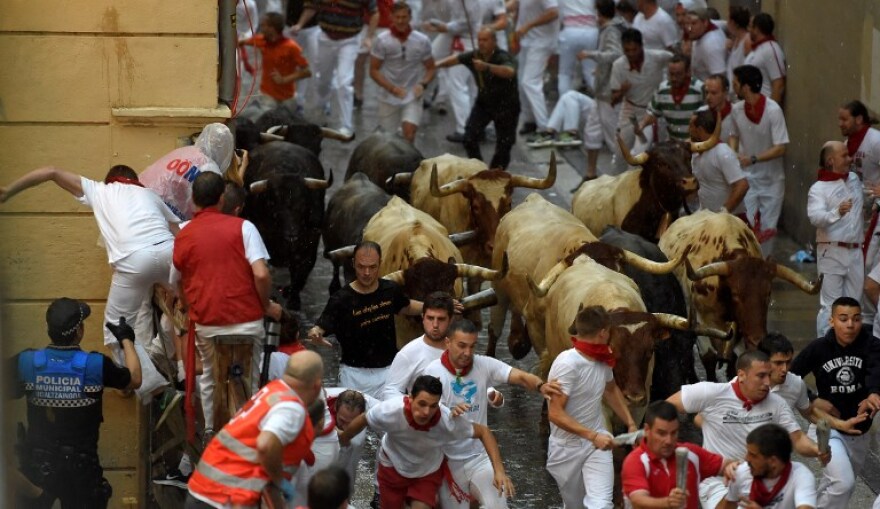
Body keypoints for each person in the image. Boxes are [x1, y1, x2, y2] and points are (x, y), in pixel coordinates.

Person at [0, 164, 179, 400]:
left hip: (133, 261)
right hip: (169, 252)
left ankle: (154, 389)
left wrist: (8, 190)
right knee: (188, 311)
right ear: (133, 181)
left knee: (115, 330)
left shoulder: (101, 190)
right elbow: (179, 232)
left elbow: (52, 171)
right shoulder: (150, 194)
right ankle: (196, 373)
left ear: (111, 180)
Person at [172, 172, 283, 435]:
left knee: (211, 376)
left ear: (193, 200)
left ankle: (212, 433)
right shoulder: (244, 227)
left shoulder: (184, 234)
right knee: (248, 379)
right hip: (247, 321)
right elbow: (262, 273)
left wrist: (190, 305)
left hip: (208, 323)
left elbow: (177, 281)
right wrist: (266, 305)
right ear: (221, 198)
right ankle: (247, 431)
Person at [12, 298, 142, 509]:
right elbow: (135, 378)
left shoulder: (26, 363)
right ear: (79, 331)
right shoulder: (95, 365)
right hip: (82, 476)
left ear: (48, 329)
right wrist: (126, 339)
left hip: (38, 473)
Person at [423, 319, 562, 508]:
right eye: (462, 346)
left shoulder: (483, 364)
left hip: (478, 458)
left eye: (472, 346)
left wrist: (540, 385)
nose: (468, 353)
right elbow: (427, 414)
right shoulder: (433, 371)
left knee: (498, 506)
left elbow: (520, 376)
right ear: (448, 343)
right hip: (446, 461)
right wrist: (447, 413)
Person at [666, 350, 828, 509]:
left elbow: (798, 439)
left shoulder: (777, 403)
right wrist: (667, 442)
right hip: (717, 482)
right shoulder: (711, 393)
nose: (767, 382)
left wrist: (818, 450)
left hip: (760, 476)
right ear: (742, 375)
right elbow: (666, 408)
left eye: (768, 375)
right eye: (760, 376)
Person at [338, 375, 512, 509]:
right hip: (392, 467)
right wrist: (344, 438)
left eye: (433, 405)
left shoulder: (446, 420)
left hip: (426, 472)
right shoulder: (390, 410)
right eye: (421, 404)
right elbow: (363, 419)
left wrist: (499, 470)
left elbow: (483, 432)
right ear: (410, 398)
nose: (426, 412)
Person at [186, 350, 324, 509]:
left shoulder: (273, 391)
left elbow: (261, 466)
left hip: (205, 490)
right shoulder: (292, 408)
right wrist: (280, 481)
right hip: (220, 498)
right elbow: (265, 445)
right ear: (317, 385)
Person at [790, 296, 880, 509]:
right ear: (831, 321)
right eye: (843, 319)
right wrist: (812, 398)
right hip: (828, 428)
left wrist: (874, 393)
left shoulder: (872, 345)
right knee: (843, 483)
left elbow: (877, 370)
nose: (850, 325)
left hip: (860, 432)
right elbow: (790, 378)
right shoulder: (818, 348)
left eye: (856, 319)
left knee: (838, 486)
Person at [546, 305, 639, 509]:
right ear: (603, 332)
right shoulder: (567, 364)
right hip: (566, 449)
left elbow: (611, 390)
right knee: (574, 506)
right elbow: (555, 413)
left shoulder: (603, 360)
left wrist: (631, 423)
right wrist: (592, 435)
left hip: (595, 444)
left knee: (601, 505)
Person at [308, 241, 422, 399]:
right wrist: (315, 333)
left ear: (380, 264)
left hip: (389, 374)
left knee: (390, 419)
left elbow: (406, 306)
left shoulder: (390, 289)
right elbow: (322, 325)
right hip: (354, 375)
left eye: (372, 267)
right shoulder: (341, 299)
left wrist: (436, 306)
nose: (366, 272)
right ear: (353, 264)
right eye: (361, 267)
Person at [622, 401, 736, 509]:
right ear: (647, 430)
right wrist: (667, 502)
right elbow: (638, 500)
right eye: (662, 433)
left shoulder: (692, 454)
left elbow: (726, 465)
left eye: (674, 433)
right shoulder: (635, 461)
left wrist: (732, 467)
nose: (668, 440)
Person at [291, 0, 379, 138]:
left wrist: (369, 37)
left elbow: (375, 13)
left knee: (344, 83)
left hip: (350, 40)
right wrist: (300, 24)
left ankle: (346, 126)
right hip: (325, 38)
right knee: (322, 80)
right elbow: (312, 6)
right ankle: (323, 104)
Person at [435, 27, 520, 170]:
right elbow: (456, 59)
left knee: (504, 144)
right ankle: (479, 168)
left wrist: (486, 67)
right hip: (484, 104)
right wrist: (434, 65)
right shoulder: (475, 55)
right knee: (469, 138)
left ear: (494, 41)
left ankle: (495, 173)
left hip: (507, 106)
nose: (481, 43)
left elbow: (509, 72)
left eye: (485, 40)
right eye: (479, 40)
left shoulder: (503, 57)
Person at [729, 64, 789, 257]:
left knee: (768, 229)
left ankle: (763, 269)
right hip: (748, 179)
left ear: (745, 87)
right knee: (746, 224)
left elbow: (781, 147)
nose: (733, 87)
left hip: (772, 181)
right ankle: (749, 265)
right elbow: (733, 135)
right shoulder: (736, 110)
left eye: (736, 83)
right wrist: (733, 153)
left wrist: (753, 158)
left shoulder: (773, 110)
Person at [807, 141, 865, 335]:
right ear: (831, 161)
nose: (850, 159)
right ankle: (824, 351)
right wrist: (836, 212)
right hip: (831, 251)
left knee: (854, 305)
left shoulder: (854, 179)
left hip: (856, 251)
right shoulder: (818, 188)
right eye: (845, 156)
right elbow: (815, 217)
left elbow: (864, 200)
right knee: (830, 306)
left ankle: (849, 350)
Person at [571, 0, 626, 179]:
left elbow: (616, 54)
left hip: (609, 92)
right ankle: (590, 173)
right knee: (592, 131)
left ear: (600, 14)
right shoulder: (617, 27)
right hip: (602, 90)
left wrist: (590, 55)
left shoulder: (611, 30)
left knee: (613, 138)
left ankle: (621, 177)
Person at [370, 2, 436, 142]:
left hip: (412, 95)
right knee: (388, 140)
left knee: (409, 134)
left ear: (410, 17)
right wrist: (392, 88)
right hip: (388, 96)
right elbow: (373, 70)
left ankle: (408, 164)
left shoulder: (422, 40)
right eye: (397, 17)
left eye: (404, 17)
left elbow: (431, 68)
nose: (401, 21)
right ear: (391, 17)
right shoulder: (382, 40)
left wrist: (422, 84)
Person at [720, 424, 817, 509]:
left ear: (773, 461)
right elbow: (728, 505)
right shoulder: (742, 472)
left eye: (753, 455)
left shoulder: (801, 476)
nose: (746, 459)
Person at [610, 28, 673, 156]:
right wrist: (622, 90)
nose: (631, 54)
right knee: (620, 150)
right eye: (627, 50)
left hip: (652, 112)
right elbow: (613, 100)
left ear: (641, 46)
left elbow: (676, 59)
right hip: (630, 110)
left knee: (640, 152)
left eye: (634, 50)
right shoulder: (618, 65)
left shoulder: (657, 57)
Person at [238, 12, 312, 120]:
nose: (261, 28)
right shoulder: (261, 40)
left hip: (287, 98)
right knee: (266, 121)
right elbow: (241, 42)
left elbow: (307, 71)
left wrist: (284, 79)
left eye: (263, 25)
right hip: (267, 96)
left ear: (272, 28)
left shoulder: (292, 47)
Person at [383, 291, 455, 400]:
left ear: (450, 319)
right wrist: (413, 405)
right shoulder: (408, 354)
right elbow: (390, 391)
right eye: (430, 318)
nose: (435, 325)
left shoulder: (460, 349)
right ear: (423, 317)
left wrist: (489, 393)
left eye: (441, 319)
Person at [838, 100, 880, 268]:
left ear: (859, 119)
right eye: (839, 119)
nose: (840, 124)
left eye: (844, 119)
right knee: (860, 262)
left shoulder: (875, 140)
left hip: (877, 210)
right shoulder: (847, 145)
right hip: (862, 212)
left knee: (870, 262)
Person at [511, 0, 559, 138]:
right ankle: (530, 121)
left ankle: (545, 127)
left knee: (530, 82)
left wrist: (529, 25)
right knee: (521, 83)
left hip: (541, 41)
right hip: (527, 40)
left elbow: (553, 12)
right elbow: (517, 6)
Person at [689, 108, 748, 213]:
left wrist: (723, 212)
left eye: (690, 126)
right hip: (705, 216)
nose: (688, 130)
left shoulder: (722, 152)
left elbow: (742, 185)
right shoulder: (695, 155)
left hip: (730, 219)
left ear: (699, 130)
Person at [638, 54, 704, 142]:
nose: (674, 78)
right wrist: (642, 125)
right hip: (674, 143)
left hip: (696, 143)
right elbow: (653, 112)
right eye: (671, 74)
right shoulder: (662, 89)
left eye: (678, 74)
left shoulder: (699, 89)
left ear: (688, 72)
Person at [757, 333, 811, 419]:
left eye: (788, 362)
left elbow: (809, 414)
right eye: (778, 363)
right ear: (762, 361)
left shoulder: (797, 383)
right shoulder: (743, 385)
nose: (785, 369)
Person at [555, 0, 600, 96]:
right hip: (591, 31)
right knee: (590, 72)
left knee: (565, 74)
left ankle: (565, 104)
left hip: (569, 32)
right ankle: (602, 101)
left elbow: (559, 13)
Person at [744, 12, 786, 103]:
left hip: (763, 109)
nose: (748, 30)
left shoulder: (771, 49)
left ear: (756, 29)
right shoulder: (758, 49)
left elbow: (778, 84)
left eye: (750, 27)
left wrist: (769, 112)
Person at [686, 8, 725, 81]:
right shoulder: (700, 31)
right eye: (687, 23)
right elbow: (726, 24)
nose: (689, 28)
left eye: (694, 23)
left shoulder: (712, 45)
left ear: (705, 23)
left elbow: (719, 78)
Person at [700, 73, 735, 142]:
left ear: (725, 93)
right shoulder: (700, 113)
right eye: (706, 92)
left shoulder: (737, 114)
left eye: (713, 93)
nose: (708, 97)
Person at [725, 6, 751, 86]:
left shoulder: (747, 40)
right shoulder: (735, 40)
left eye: (728, 20)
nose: (726, 23)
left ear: (733, 22)